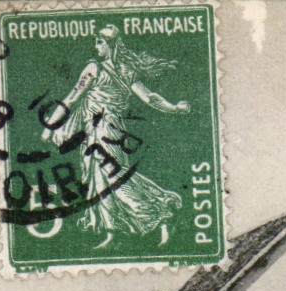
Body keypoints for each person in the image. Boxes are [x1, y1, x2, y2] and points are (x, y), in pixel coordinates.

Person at [42, 25, 189, 242]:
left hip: (104, 130)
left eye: (100, 42)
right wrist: (174, 108)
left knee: (113, 177)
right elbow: (149, 98)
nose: (96, 47)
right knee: (99, 179)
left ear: (111, 45)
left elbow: (72, 98)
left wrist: (50, 126)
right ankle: (111, 231)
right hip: (100, 131)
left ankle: (157, 212)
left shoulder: (97, 68)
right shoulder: (122, 71)